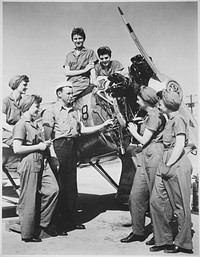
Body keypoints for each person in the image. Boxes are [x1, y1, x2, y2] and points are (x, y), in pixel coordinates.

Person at [42, 80, 114, 235]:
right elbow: (47, 136)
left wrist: (103, 125)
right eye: (68, 93)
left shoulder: (75, 112)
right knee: (60, 186)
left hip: (72, 146)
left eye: (71, 93)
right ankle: (59, 224)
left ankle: (71, 220)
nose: (71, 96)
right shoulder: (51, 111)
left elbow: (83, 130)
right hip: (59, 147)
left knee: (71, 186)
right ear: (59, 94)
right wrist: (52, 154)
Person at [149, 89, 193, 254]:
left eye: (161, 102)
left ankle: (183, 243)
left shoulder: (179, 119)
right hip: (166, 161)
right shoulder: (169, 120)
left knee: (180, 205)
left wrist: (168, 165)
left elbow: (180, 144)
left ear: (168, 103)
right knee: (156, 200)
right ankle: (163, 239)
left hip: (177, 163)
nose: (158, 104)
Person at [120, 86, 166, 243]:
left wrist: (132, 130)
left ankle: (159, 232)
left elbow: (144, 140)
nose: (137, 101)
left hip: (154, 155)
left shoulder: (155, 115)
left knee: (155, 197)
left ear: (146, 100)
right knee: (135, 196)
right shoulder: (148, 115)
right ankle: (138, 231)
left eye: (139, 99)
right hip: (144, 157)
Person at [12, 94, 59, 242]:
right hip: (29, 162)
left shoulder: (35, 123)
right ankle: (27, 234)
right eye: (36, 106)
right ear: (27, 106)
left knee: (53, 190)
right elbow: (17, 149)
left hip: (42, 160)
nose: (39, 109)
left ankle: (42, 223)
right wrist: (38, 146)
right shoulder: (21, 124)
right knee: (29, 199)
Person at [63, 27, 98, 100]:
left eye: (80, 38)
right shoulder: (69, 55)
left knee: (67, 99)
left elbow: (92, 69)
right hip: (69, 83)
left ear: (84, 39)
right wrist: (85, 70)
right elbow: (67, 73)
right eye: (75, 39)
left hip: (82, 83)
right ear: (72, 40)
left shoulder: (89, 52)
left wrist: (94, 80)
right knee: (59, 97)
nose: (77, 41)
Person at [2, 75, 29, 147]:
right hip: (8, 132)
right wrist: (17, 131)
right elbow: (2, 123)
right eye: (24, 85)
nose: (27, 87)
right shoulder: (5, 101)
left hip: (21, 132)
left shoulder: (25, 102)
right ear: (16, 84)